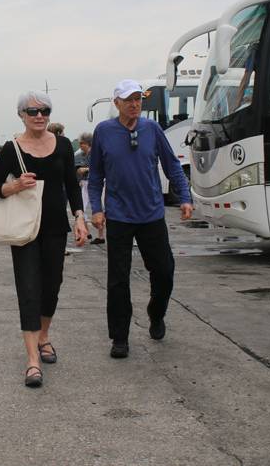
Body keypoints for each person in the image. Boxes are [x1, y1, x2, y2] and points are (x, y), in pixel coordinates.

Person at [0, 91, 88, 388]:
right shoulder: (12, 149)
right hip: (25, 230)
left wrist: (79, 217)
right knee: (29, 288)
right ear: (21, 115)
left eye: (45, 110)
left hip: (56, 227)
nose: (40, 115)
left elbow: (71, 185)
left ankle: (44, 336)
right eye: (32, 111)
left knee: (52, 286)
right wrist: (15, 185)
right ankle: (32, 359)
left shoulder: (62, 147)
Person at [88, 79, 193, 360]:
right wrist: (95, 209)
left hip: (152, 214)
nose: (135, 104)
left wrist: (185, 197)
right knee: (118, 280)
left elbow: (172, 165)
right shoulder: (104, 132)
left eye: (138, 99)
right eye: (129, 99)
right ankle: (120, 337)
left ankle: (156, 313)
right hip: (120, 216)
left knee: (164, 272)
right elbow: (96, 175)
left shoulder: (152, 129)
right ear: (117, 103)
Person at [74, 132, 105, 246]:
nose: (80, 145)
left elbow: (99, 168)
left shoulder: (95, 154)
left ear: (88, 143)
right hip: (86, 183)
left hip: (95, 183)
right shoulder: (82, 154)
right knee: (81, 207)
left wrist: (85, 170)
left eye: (82, 143)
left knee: (98, 208)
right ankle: (87, 232)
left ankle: (100, 236)